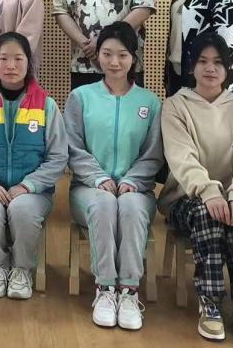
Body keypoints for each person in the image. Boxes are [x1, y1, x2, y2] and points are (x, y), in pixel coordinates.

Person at [158, 34, 233, 345]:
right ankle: (210, 304)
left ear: (228, 67)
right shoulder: (175, 106)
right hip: (186, 198)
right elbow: (181, 157)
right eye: (203, 61)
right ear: (191, 66)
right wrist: (209, 192)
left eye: (218, 62)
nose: (210, 68)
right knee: (209, 215)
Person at [65, 21, 163, 331]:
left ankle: (129, 291)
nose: (114, 62)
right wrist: (97, 178)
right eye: (107, 54)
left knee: (131, 207)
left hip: (137, 190)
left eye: (122, 55)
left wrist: (133, 180)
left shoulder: (150, 103)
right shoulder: (81, 97)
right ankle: (106, 288)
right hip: (88, 189)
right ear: (98, 57)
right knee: (104, 204)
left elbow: (153, 154)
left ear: (134, 58)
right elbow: (72, 147)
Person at [0, 32, 67, 301]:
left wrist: (28, 185)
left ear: (29, 62)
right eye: (3, 59)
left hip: (33, 192)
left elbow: (58, 157)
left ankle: (21, 269)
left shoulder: (46, 105)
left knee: (22, 210)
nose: (11, 66)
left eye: (18, 59)